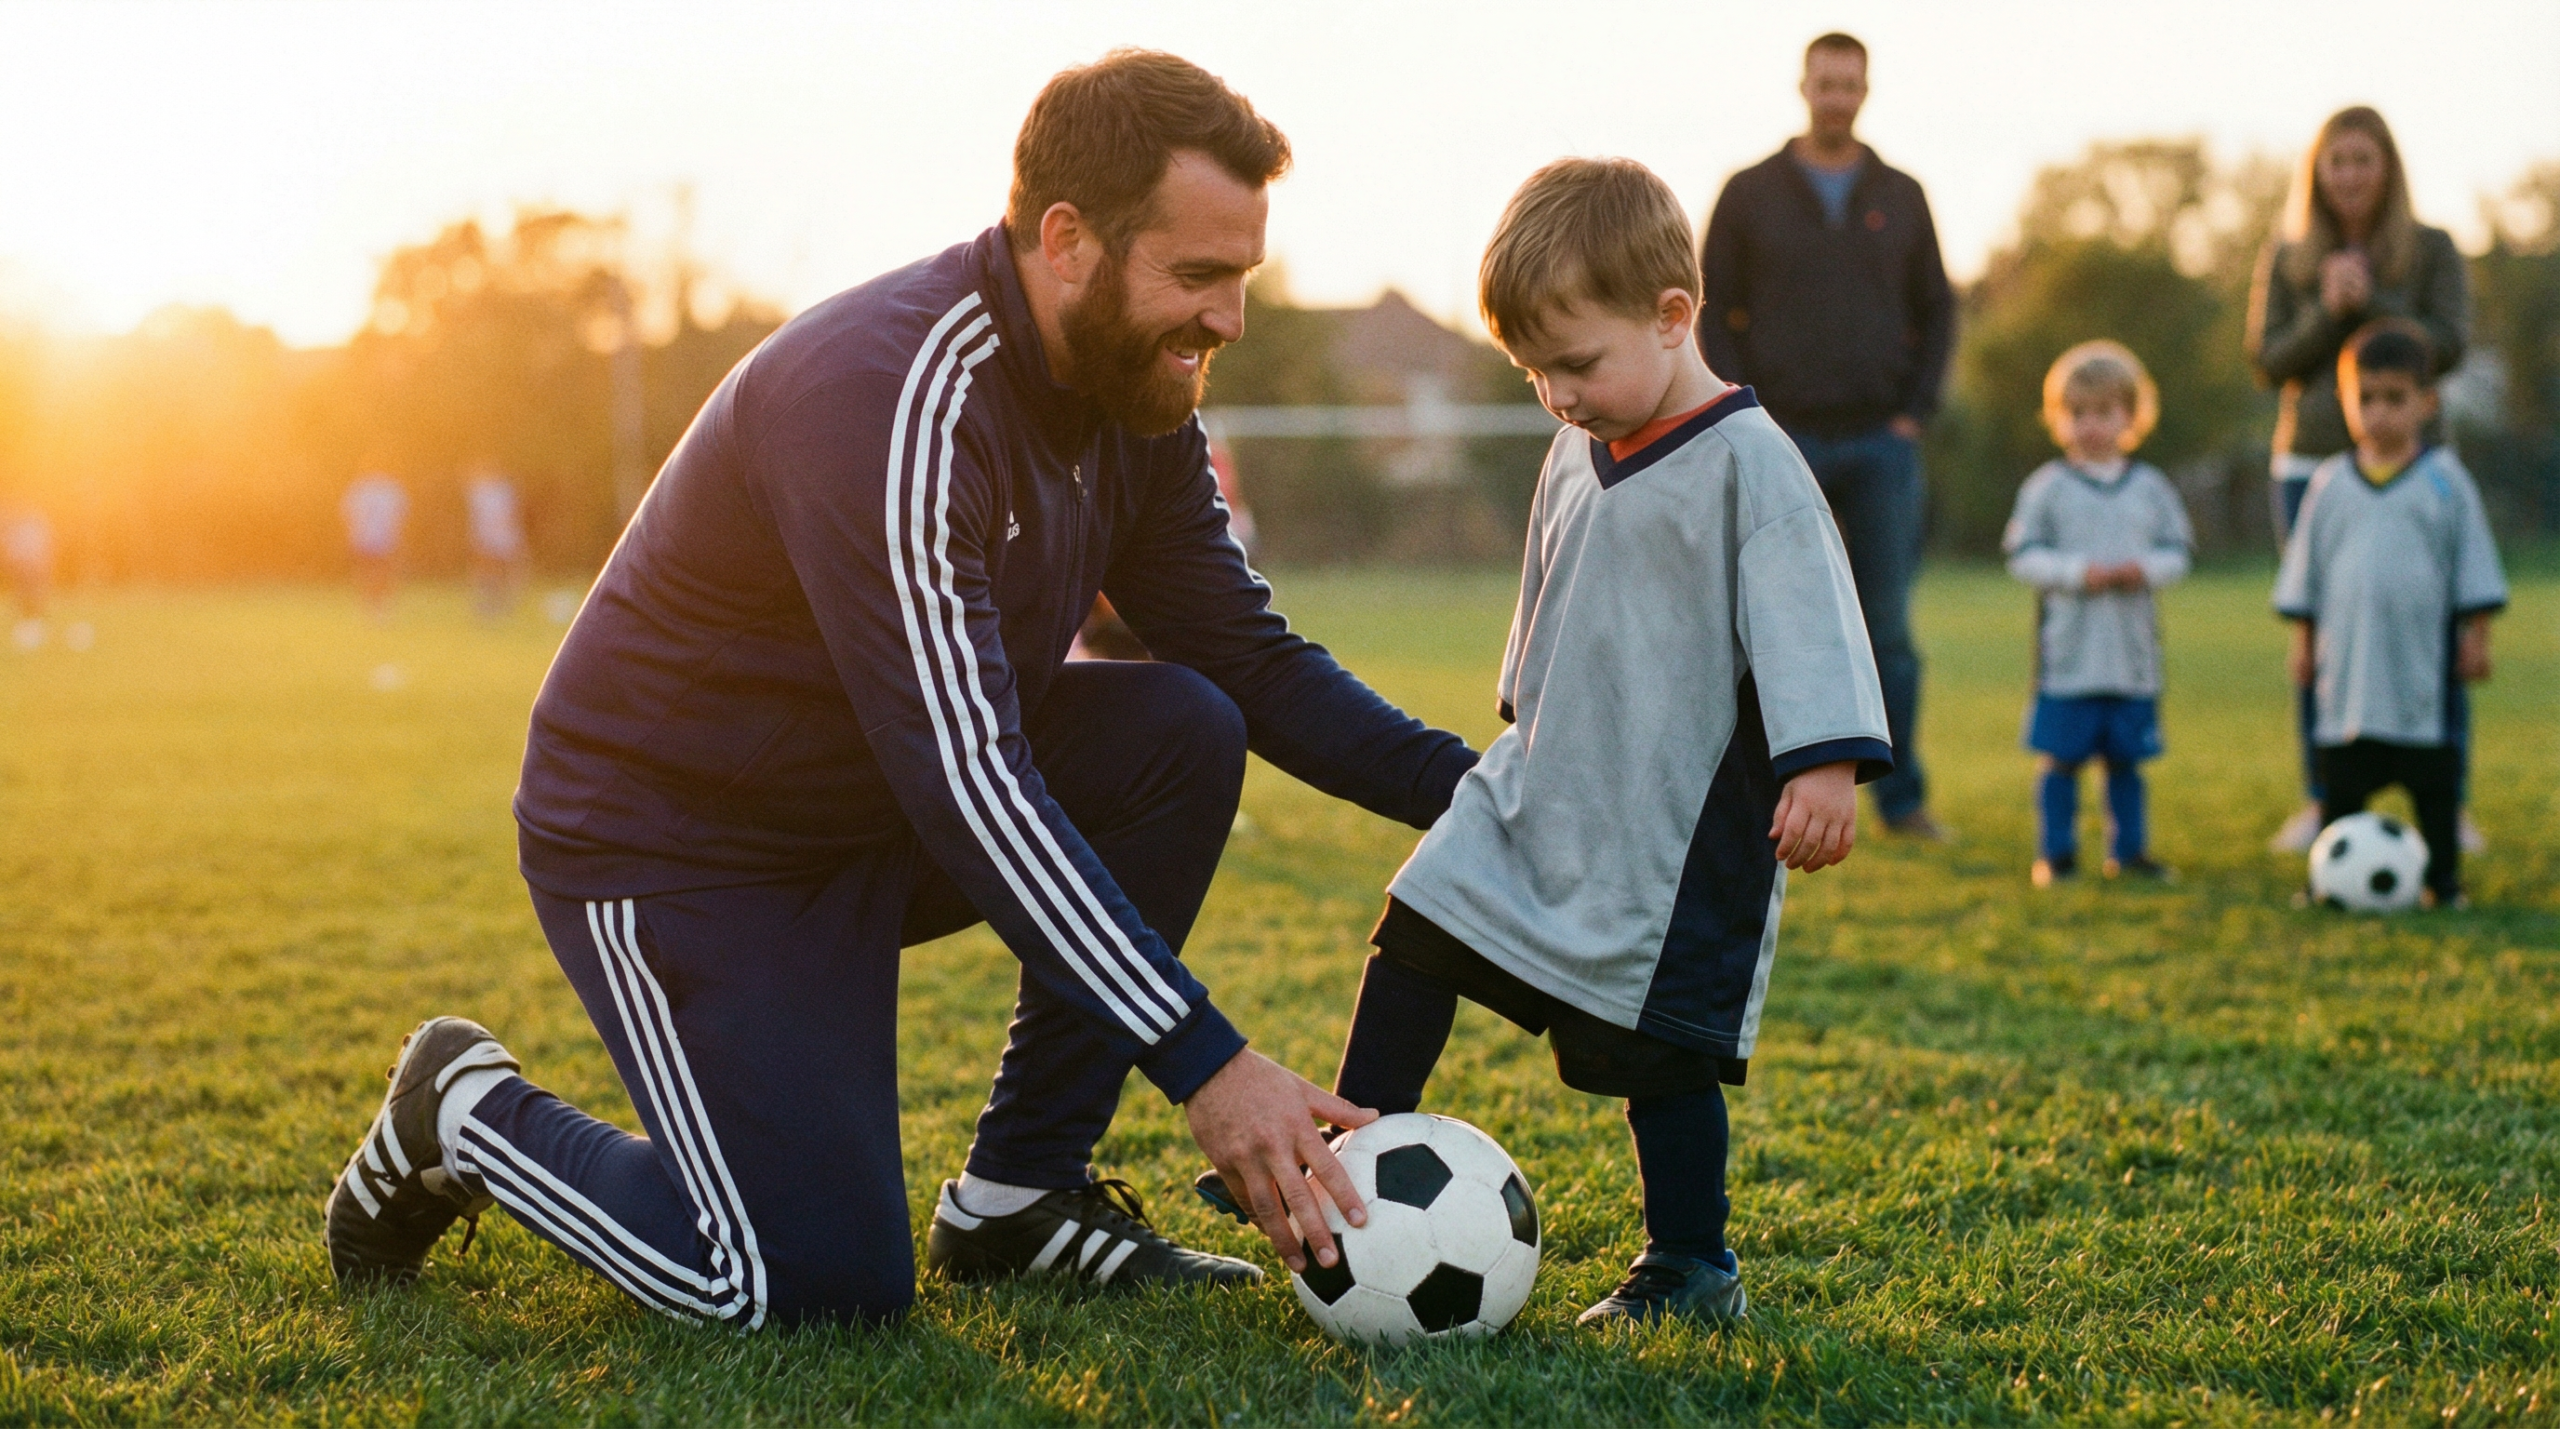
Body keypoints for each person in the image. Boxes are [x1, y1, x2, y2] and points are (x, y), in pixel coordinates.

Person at [322, 51, 1486, 1327]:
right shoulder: (890, 394)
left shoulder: (1131, 402)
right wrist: (1206, 1063)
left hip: (865, 812)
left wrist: (1490, 797)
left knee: (1181, 725)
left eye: (1241, 277)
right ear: (1066, 240)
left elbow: (1252, 663)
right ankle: (465, 1110)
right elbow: (969, 778)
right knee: (798, 1284)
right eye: (1197, 275)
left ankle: (1018, 1197)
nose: (1228, 320)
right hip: (679, 845)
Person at [1201, 158, 1892, 1327]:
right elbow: (1549, 590)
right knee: (1420, 924)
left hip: (1671, 830)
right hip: (1543, 781)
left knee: (1658, 1051)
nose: (1560, 396)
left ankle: (1690, 1259)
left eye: (1578, 364)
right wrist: (1522, 715)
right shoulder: (1577, 444)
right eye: (1535, 374)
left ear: (1673, 317)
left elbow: (1810, 619)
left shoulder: (1751, 466)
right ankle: (1349, 1142)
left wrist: (1822, 763)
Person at [1700, 30, 1955, 841]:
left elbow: (1939, 310)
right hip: (1782, 441)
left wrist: (1915, 410)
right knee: (1764, 625)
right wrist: (1748, 411)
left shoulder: (1904, 194)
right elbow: (1711, 309)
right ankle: (1760, 797)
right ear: (1803, 86)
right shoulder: (1749, 194)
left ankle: (1903, 799)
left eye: (1850, 84)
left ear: (1866, 90)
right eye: (1825, 83)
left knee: (1887, 632)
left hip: (1883, 442)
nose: (1836, 97)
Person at [2246, 107, 2470, 855]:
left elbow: (2449, 344)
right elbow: (2268, 359)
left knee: (2428, 628)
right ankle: (2323, 796)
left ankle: (2446, 795)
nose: (2348, 174)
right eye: (2335, 160)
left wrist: (2373, 302)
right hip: (2313, 464)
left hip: (2415, 465)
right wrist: (2325, 309)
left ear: (2387, 168)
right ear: (2317, 171)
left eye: (2362, 160)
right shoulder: (2287, 254)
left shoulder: (2432, 248)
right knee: (2322, 636)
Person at [2273, 321, 2504, 907]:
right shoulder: (2330, 484)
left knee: (2435, 785)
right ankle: (2327, 881)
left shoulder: (2446, 482)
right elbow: (2308, 574)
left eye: (2394, 399)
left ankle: (2444, 883)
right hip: (2347, 673)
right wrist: (2304, 643)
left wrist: (2476, 635)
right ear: (2345, 403)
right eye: (2365, 399)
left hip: (2422, 672)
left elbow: (2471, 564)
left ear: (2426, 404)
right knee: (2341, 788)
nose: (2378, 414)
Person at [2001, 342, 2192, 887]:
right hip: (2068, 656)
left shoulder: (2151, 489)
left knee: (2126, 762)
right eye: (2077, 413)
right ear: (2059, 419)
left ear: (2131, 417)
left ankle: (2129, 853)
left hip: (2131, 656)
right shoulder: (2047, 489)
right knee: (2061, 761)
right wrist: (2076, 572)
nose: (2090, 425)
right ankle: (2055, 856)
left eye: (2104, 413)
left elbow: (2179, 553)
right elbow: (2022, 556)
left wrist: (2146, 569)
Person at [341, 471, 407, 623]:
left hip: (365, 538)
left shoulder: (358, 488)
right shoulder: (392, 488)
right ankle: (379, 608)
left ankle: (371, 608)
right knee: (382, 573)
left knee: (369, 573)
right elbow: (401, 516)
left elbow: (347, 515)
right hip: (384, 539)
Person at [465, 466, 530, 619]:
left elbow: (512, 513)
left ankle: (502, 604)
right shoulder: (482, 492)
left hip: (504, 536)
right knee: (490, 572)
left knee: (506, 571)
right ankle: (488, 604)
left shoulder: (500, 491)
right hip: (490, 538)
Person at [5, 505, 52, 651]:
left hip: (33, 563)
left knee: (34, 594)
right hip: (24, 564)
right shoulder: (19, 526)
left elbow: (44, 546)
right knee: (24, 595)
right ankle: (27, 623)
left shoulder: (34, 523)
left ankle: (34, 624)